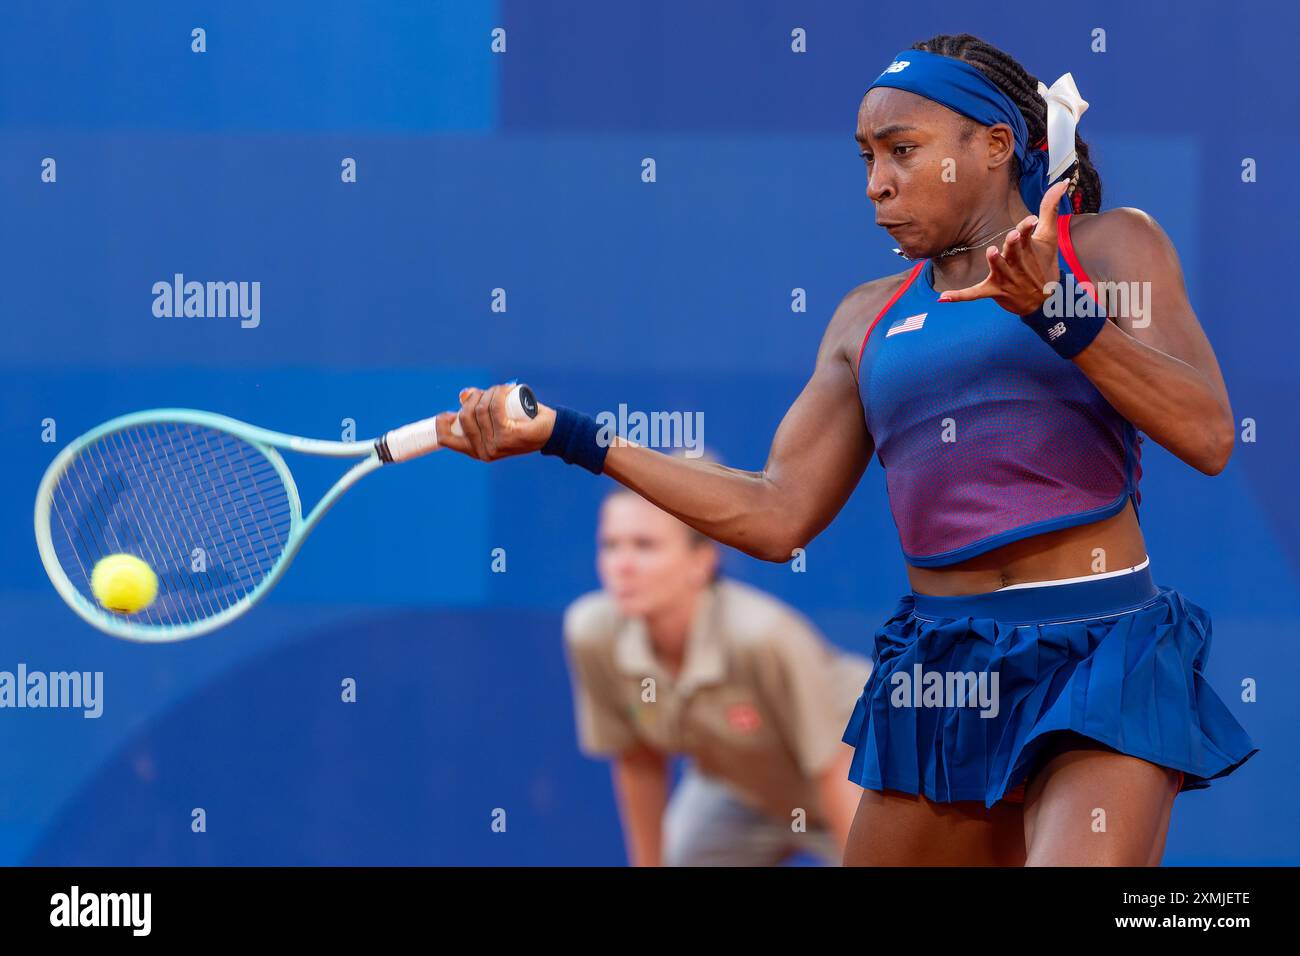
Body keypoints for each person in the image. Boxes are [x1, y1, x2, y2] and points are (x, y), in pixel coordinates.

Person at [436, 33, 1257, 866]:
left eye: (904, 151)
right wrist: (567, 435)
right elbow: (776, 513)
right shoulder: (865, 318)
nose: (877, 184)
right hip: (943, 668)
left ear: (995, 145)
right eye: (867, 157)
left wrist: (1058, 310)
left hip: (1101, 648)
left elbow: (1207, 434)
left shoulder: (1112, 247)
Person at [563, 486, 871, 866]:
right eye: (610, 545)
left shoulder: (761, 637)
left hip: (860, 785)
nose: (622, 565)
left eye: (644, 546)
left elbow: (834, 767)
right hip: (744, 789)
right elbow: (638, 759)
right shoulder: (592, 633)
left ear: (701, 561)